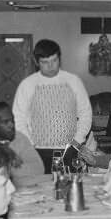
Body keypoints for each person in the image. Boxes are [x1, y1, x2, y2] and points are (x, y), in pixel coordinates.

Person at [12, 39, 93, 172]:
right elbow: (18, 119)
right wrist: (30, 146)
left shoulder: (73, 81)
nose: (51, 66)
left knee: (70, 188)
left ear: (59, 59)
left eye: (54, 60)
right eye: (45, 62)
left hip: (70, 149)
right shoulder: (27, 85)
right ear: (36, 62)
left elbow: (85, 114)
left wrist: (77, 141)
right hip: (38, 151)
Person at [0, 101, 43, 178]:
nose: (11, 125)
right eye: (5, 122)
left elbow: (38, 168)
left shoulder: (20, 139)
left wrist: (4, 169)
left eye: (12, 120)